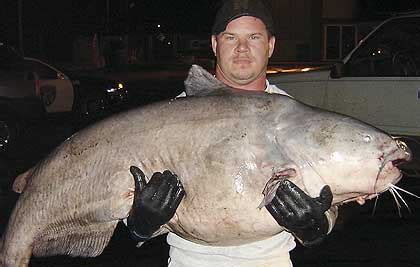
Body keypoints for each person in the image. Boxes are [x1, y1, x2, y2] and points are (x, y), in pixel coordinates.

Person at [127, 0, 338, 266]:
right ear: (215, 44)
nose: (242, 48)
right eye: (231, 37)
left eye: (253, 37)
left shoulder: (296, 119)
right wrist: (140, 222)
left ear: (270, 45)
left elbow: (330, 196)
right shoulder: (171, 118)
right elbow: (125, 188)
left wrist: (316, 225)